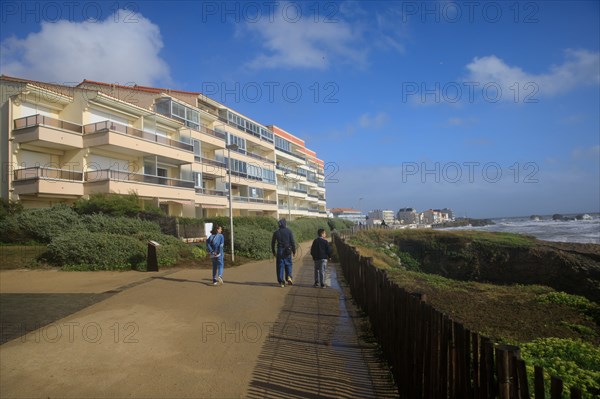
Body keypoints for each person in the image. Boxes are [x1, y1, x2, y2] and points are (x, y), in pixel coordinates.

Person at [271, 219, 296, 288]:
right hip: (288, 250)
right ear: (285, 224)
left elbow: (272, 243)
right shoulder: (289, 231)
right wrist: (294, 251)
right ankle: (289, 277)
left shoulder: (276, 232)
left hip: (280, 250)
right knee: (288, 264)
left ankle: (281, 281)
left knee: (280, 266)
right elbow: (292, 242)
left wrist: (273, 252)